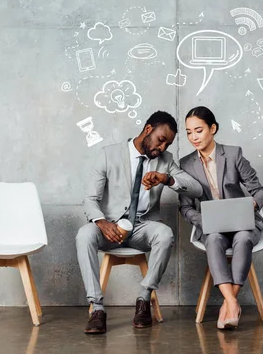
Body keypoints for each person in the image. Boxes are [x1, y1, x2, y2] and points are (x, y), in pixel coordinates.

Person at [77, 111, 203, 334]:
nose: (162, 147)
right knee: (84, 235)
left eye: (168, 143)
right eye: (161, 139)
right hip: (110, 228)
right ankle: (97, 308)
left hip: (142, 227)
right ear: (148, 130)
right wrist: (101, 222)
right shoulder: (109, 154)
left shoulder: (165, 160)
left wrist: (167, 178)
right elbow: (90, 199)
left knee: (164, 234)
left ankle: (144, 299)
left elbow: (196, 188)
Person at [179, 106, 263, 330]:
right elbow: (185, 208)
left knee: (244, 239)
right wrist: (204, 221)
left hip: (242, 222)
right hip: (212, 227)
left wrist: (251, 205)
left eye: (198, 130)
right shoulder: (185, 164)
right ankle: (232, 304)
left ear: (213, 128)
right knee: (213, 240)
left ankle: (228, 304)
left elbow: (260, 191)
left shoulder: (233, 154)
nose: (194, 137)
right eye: (189, 132)